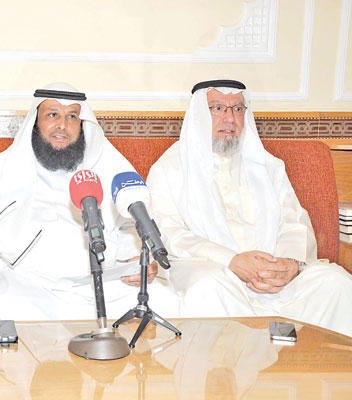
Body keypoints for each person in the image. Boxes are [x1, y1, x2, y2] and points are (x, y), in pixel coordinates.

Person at [0, 82, 179, 321]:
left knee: (165, 301)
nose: (62, 126)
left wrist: (142, 262)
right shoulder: (3, 169)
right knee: (0, 313)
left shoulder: (110, 165)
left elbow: (133, 225)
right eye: (52, 115)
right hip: (27, 285)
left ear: (82, 124)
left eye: (72, 116)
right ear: (36, 121)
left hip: (99, 284)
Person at [147, 79, 352, 336]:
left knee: (336, 283)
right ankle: (252, 358)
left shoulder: (268, 166)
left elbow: (294, 222)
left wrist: (287, 264)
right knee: (209, 288)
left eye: (237, 109)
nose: (230, 119)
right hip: (216, 274)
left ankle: (312, 360)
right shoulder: (168, 169)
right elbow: (168, 234)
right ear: (199, 114)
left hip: (275, 281)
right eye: (217, 108)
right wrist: (231, 261)